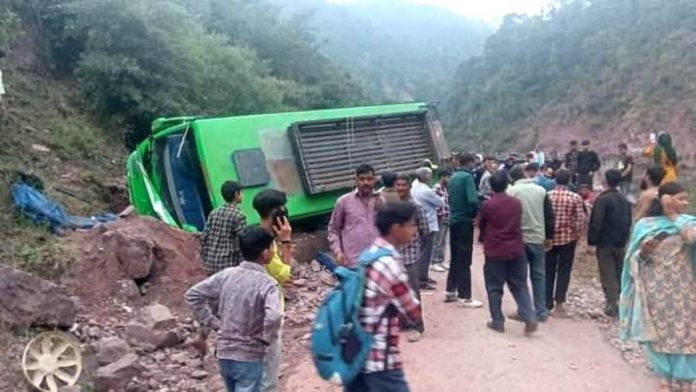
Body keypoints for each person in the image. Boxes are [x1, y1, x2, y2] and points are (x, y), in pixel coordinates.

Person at [185, 228, 283, 392]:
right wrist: (265, 339)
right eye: (273, 249)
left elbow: (193, 295)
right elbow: (274, 317)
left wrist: (214, 323)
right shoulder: (268, 284)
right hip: (249, 356)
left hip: (224, 354)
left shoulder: (227, 275)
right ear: (265, 253)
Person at [620, 182, 696, 391]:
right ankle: (663, 376)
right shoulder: (645, 225)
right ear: (664, 198)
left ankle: (687, 377)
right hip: (656, 289)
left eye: (685, 198)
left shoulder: (688, 223)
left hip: (686, 289)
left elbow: (692, 238)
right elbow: (634, 258)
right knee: (657, 332)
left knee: (686, 332)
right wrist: (644, 251)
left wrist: (673, 216)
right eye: (680, 198)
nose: (685, 202)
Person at [345, 202, 423, 392]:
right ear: (396, 228)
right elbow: (412, 311)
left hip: (356, 350)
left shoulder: (368, 255)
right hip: (379, 355)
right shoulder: (388, 263)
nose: (415, 230)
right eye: (412, 225)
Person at [479, 171, 538, 334]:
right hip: (516, 248)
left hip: (495, 250)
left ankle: (498, 321)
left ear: (491, 186)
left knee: (494, 287)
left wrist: (483, 238)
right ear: (507, 184)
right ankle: (529, 316)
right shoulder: (516, 203)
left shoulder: (488, 205)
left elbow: (482, 225)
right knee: (520, 285)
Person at [251, 189, 294, 392]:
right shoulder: (266, 243)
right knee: (268, 371)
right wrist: (286, 241)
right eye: (283, 207)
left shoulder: (257, 236)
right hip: (268, 312)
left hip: (258, 310)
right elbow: (284, 274)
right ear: (277, 211)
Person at [507, 165, 555, 321]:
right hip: (537, 238)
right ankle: (541, 311)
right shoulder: (541, 191)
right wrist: (548, 237)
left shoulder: (511, 192)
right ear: (525, 175)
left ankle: (524, 311)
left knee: (520, 277)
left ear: (512, 179)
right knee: (539, 275)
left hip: (519, 239)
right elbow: (549, 216)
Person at [588, 169, 632, 317]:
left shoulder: (602, 200)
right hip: (620, 242)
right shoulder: (625, 200)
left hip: (605, 243)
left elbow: (596, 223)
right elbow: (628, 221)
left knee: (608, 274)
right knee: (620, 272)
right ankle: (623, 303)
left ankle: (611, 304)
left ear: (605, 182)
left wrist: (592, 241)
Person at [394, 174, 430, 340]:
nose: (401, 188)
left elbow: (425, 231)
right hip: (395, 257)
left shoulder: (416, 207)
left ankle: (418, 326)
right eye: (398, 185)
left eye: (403, 185)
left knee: (413, 293)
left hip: (410, 257)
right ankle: (404, 322)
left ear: (409, 187)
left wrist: (415, 250)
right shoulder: (393, 206)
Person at [545, 169, 585, 318]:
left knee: (548, 270)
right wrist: (577, 236)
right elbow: (580, 220)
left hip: (548, 238)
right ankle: (559, 304)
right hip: (567, 239)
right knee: (564, 270)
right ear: (569, 181)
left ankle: (546, 303)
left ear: (555, 180)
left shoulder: (547, 196)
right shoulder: (575, 197)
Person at [445, 153, 483, 308]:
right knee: (465, 259)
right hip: (464, 222)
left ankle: (450, 290)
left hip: (453, 220)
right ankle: (465, 296)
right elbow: (472, 200)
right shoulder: (467, 178)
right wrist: (476, 215)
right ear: (470, 163)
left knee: (455, 257)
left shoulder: (453, 177)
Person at [328, 164, 380, 267]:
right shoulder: (344, 202)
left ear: (374, 180)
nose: (366, 183)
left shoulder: (381, 200)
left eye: (369, 179)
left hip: (379, 262)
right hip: (354, 263)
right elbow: (333, 229)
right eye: (362, 179)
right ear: (355, 180)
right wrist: (338, 252)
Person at [200, 181, 247, 275]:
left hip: (210, 264)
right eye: (241, 192)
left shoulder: (214, 212)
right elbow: (241, 243)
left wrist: (205, 258)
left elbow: (204, 237)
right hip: (227, 265)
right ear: (236, 194)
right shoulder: (239, 215)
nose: (243, 195)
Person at [411, 167, 445, 288]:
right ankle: (422, 280)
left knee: (421, 251)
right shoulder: (426, 190)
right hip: (428, 223)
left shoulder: (415, 186)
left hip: (420, 222)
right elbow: (441, 203)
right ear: (426, 177)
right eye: (430, 175)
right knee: (425, 253)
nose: (431, 177)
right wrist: (442, 196)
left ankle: (423, 276)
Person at [432, 169, 451, 272]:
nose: (449, 179)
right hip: (439, 217)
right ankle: (434, 261)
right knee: (438, 241)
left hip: (445, 216)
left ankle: (441, 260)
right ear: (442, 177)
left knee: (443, 241)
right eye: (448, 177)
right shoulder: (436, 189)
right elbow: (436, 205)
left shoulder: (444, 189)